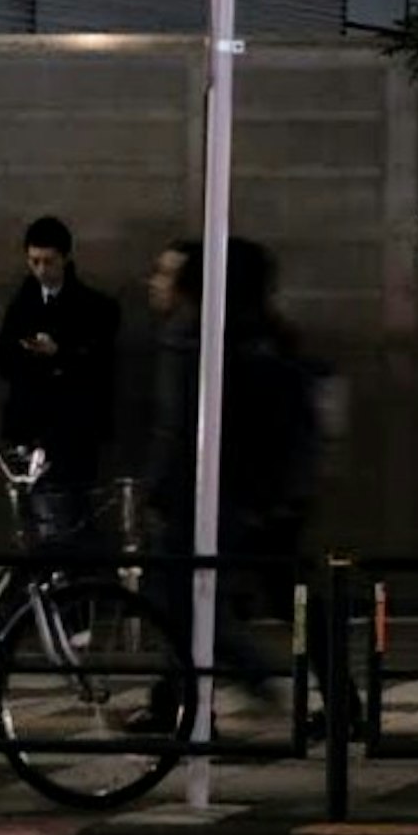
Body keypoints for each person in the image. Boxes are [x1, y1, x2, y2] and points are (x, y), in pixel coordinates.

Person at [138, 238, 325, 723]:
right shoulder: (255, 338)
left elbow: (179, 430)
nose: (158, 283)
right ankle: (183, 704)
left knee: (190, 600)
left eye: (169, 274)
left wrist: (157, 489)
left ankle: (246, 683)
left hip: (217, 497)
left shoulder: (199, 339)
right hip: (256, 496)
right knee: (223, 599)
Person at [0, 216, 121, 555]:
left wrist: (59, 354)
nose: (40, 270)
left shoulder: (95, 307)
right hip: (31, 427)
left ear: (65, 258)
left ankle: (70, 598)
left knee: (70, 519)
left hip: (72, 431)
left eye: (48, 261)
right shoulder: (22, 304)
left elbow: (99, 364)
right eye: (34, 261)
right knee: (37, 523)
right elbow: (3, 360)